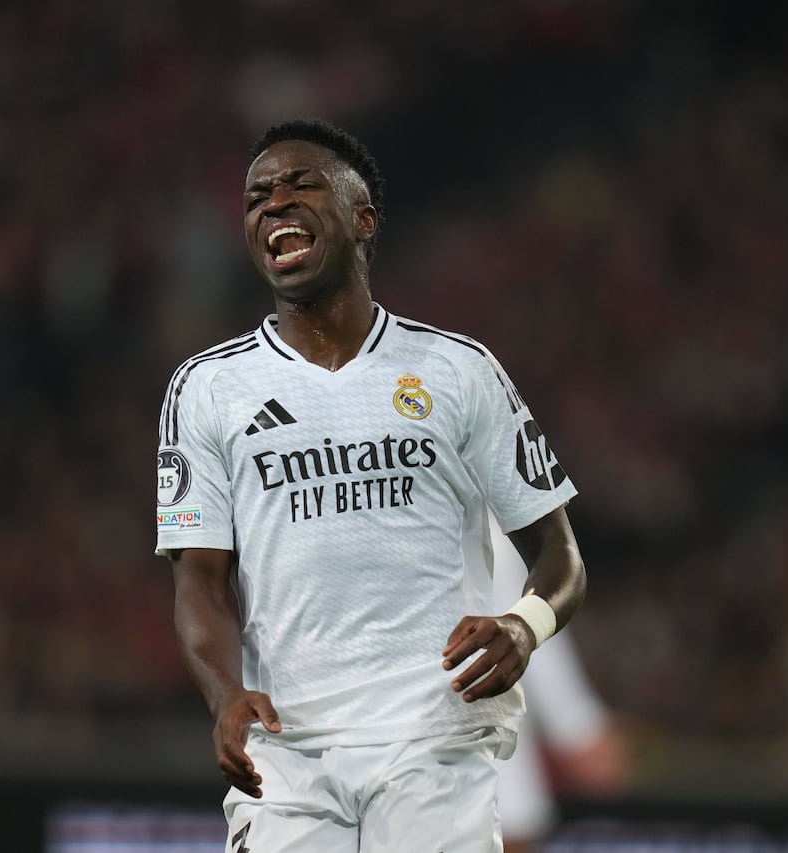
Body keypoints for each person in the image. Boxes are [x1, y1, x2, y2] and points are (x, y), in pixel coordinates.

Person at [155, 118, 586, 853]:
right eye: (258, 195)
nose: (274, 203)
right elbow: (200, 578)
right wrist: (224, 695)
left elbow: (560, 557)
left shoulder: (459, 372)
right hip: (286, 754)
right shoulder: (207, 389)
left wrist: (524, 625)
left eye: (301, 184)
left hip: (434, 743)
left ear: (363, 218)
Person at [490, 512, 629, 853]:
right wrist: (578, 726)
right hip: (487, 791)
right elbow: (521, 631)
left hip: (369, 788)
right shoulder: (482, 523)